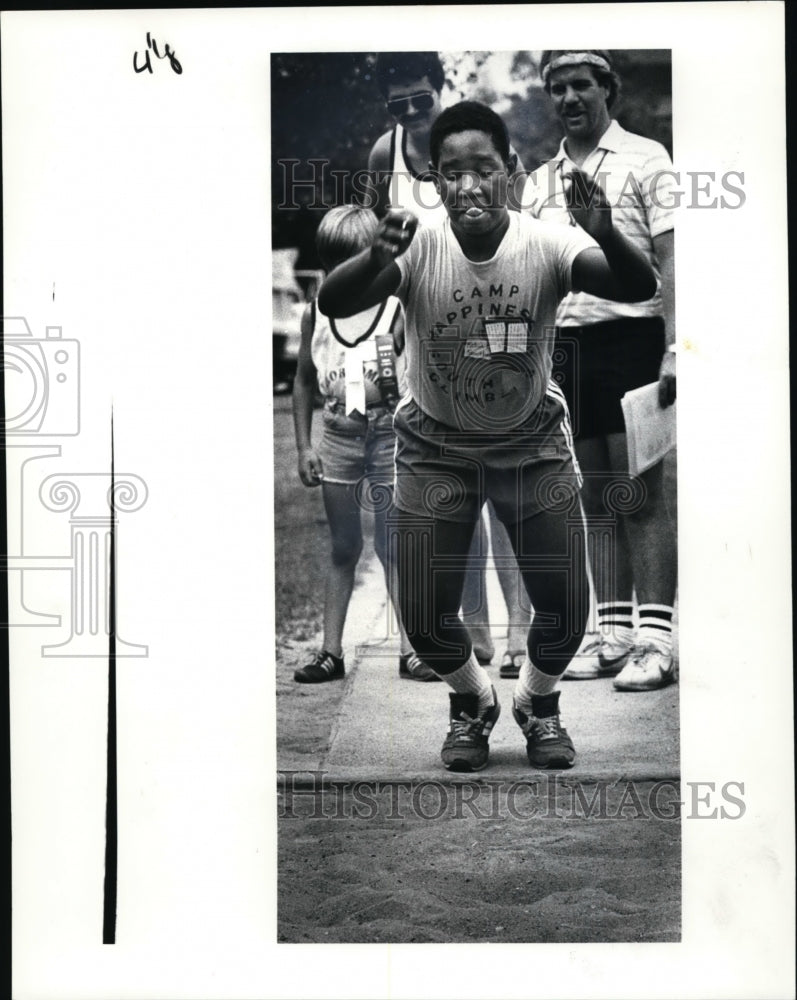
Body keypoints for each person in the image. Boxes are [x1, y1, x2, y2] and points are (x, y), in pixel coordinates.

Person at [319, 102, 656, 771]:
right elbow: (334, 301)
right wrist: (374, 254)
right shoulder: (416, 244)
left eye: (482, 169)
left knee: (564, 610)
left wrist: (607, 233)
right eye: (452, 172)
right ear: (437, 182)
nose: (468, 185)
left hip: (530, 444)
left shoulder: (546, 242)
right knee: (421, 616)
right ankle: (472, 703)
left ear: (510, 172)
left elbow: (634, 283)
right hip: (433, 445)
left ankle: (537, 702)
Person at [366, 51, 529, 674]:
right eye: (397, 104)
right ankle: (476, 633)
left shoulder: (476, 146)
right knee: (454, 486)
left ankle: (520, 633)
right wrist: (393, 332)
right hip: (427, 328)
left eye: (420, 100)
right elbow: (384, 250)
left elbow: (516, 234)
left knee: (507, 483)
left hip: (493, 319)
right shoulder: (386, 156)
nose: (410, 113)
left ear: (441, 89)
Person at [525, 50, 678, 691]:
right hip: (569, 347)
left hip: (635, 335)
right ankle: (612, 634)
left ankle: (656, 639)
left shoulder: (648, 158)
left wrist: (677, 347)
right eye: (557, 88)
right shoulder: (538, 182)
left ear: (607, 88)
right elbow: (529, 280)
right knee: (594, 496)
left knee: (640, 491)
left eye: (580, 84)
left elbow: (673, 262)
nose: (568, 98)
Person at [292, 205, 438, 683]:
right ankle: (330, 652)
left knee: (394, 545)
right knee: (343, 546)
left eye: (355, 261)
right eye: (335, 263)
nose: (344, 274)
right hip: (338, 436)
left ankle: (412, 649)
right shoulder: (317, 312)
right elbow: (303, 381)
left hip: (387, 437)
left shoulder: (395, 308)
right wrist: (303, 447)